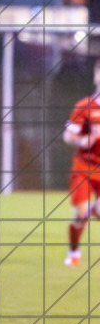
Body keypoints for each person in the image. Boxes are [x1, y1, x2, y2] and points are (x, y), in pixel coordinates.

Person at [62, 59, 100, 266]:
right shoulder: (84, 106)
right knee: (81, 214)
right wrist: (83, 140)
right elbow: (67, 135)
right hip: (84, 168)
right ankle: (74, 252)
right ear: (96, 76)